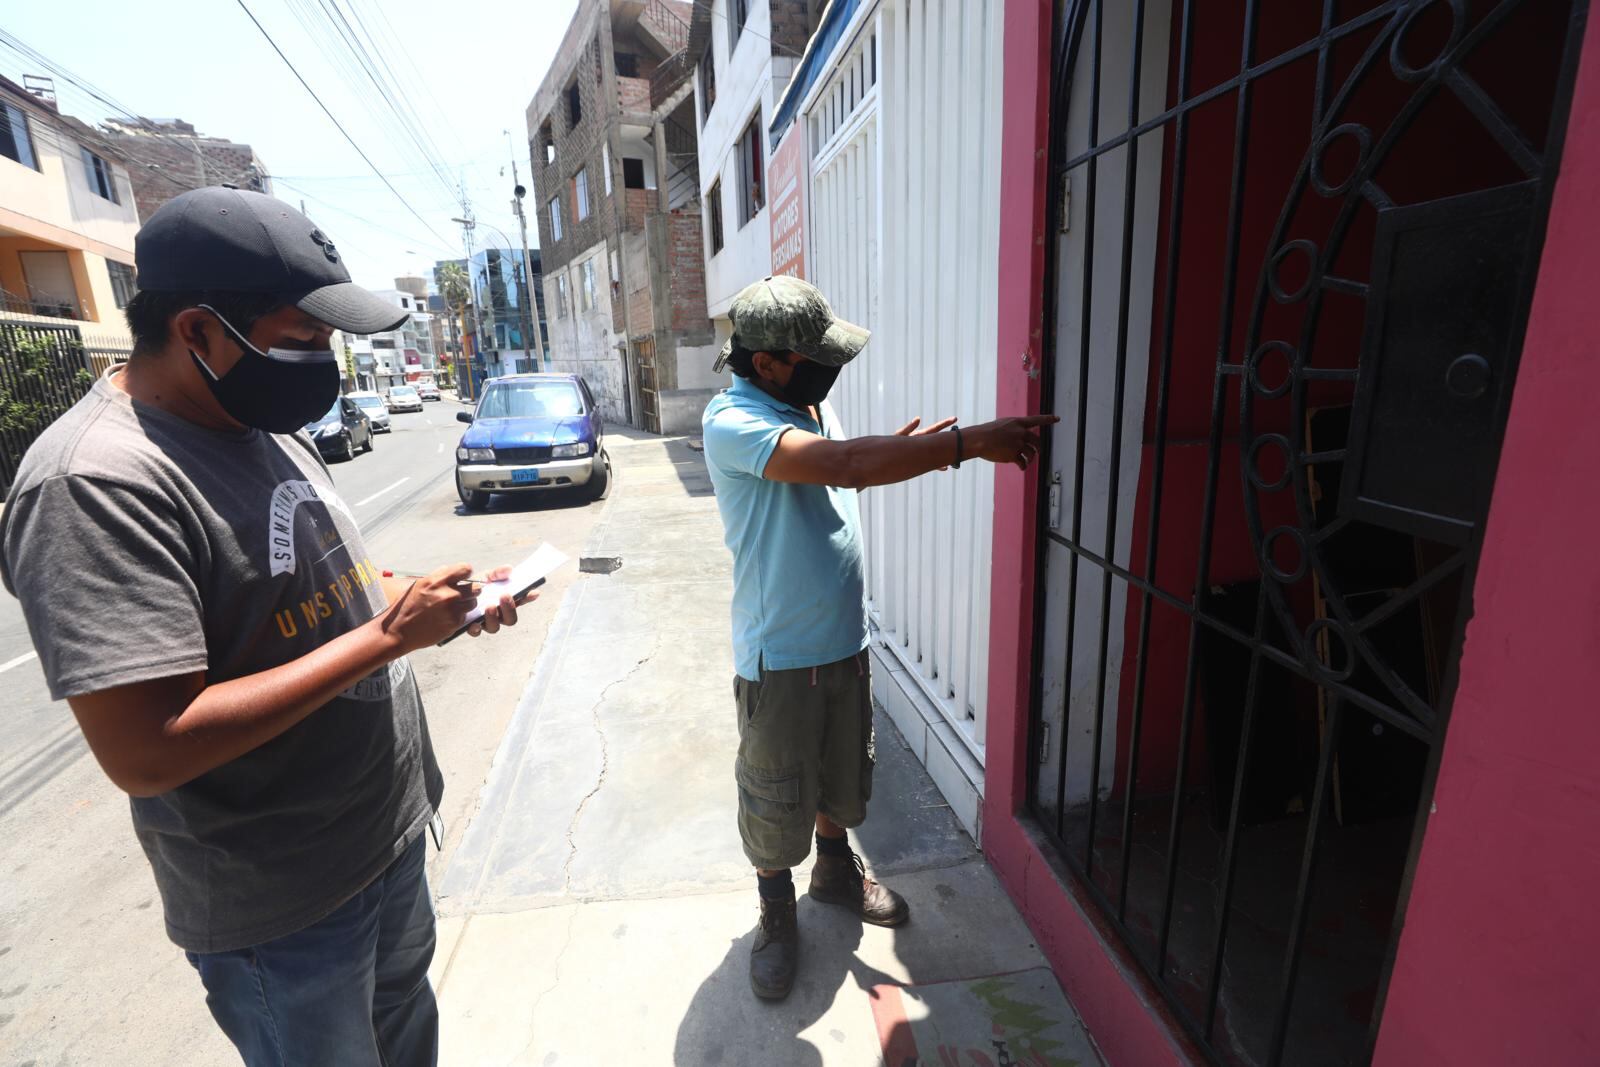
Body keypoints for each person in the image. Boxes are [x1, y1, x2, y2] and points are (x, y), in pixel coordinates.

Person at [0, 187, 527, 1067]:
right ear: (198, 331)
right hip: (286, 907)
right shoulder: (94, 481)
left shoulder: (257, 420)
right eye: (304, 340)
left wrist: (443, 597)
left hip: (384, 836)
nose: (325, 363)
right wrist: (394, 637)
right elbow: (148, 749)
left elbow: (335, 586)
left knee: (407, 1036)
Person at [701, 275, 1057, 1000]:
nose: (827, 368)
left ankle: (834, 872)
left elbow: (842, 472)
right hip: (780, 655)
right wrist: (963, 445)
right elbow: (842, 465)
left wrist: (890, 453)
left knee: (841, 772)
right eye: (811, 354)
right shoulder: (732, 419)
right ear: (766, 361)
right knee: (774, 796)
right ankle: (776, 912)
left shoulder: (807, 401)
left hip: (841, 636)